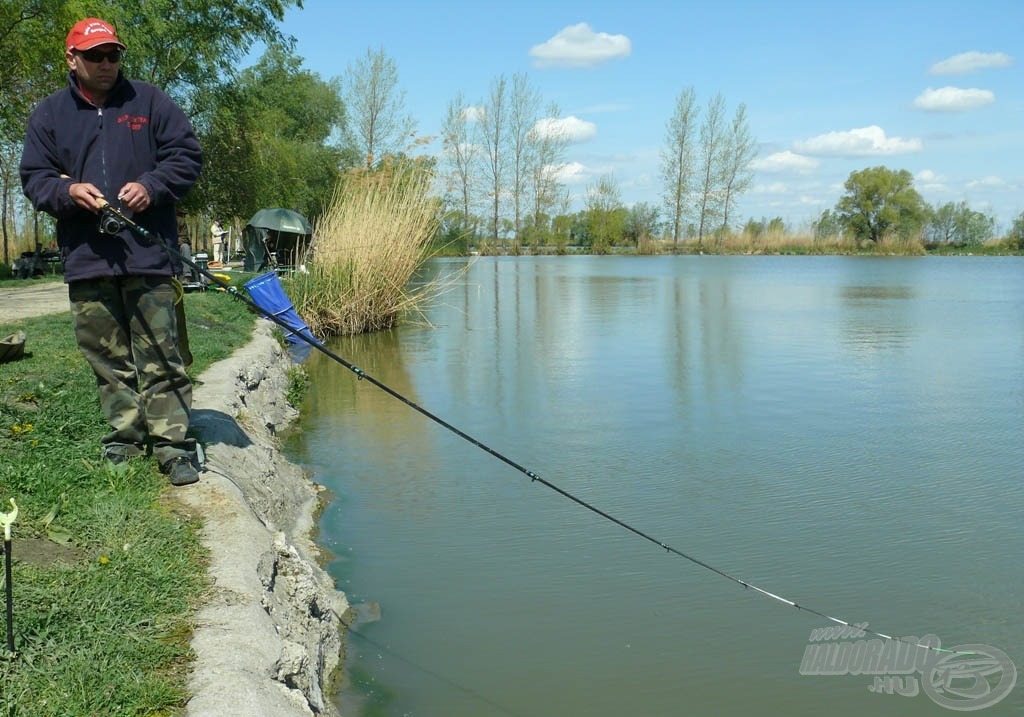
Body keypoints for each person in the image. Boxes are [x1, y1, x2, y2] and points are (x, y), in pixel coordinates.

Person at [20, 17, 204, 486]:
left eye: (113, 55)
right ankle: (123, 438)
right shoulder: (48, 115)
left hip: (148, 255)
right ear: (72, 59)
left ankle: (174, 447)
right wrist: (68, 194)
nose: (106, 64)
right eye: (95, 56)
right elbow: (35, 178)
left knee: (162, 356)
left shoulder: (150, 101)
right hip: (87, 258)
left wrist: (152, 185)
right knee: (108, 359)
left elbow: (186, 156)